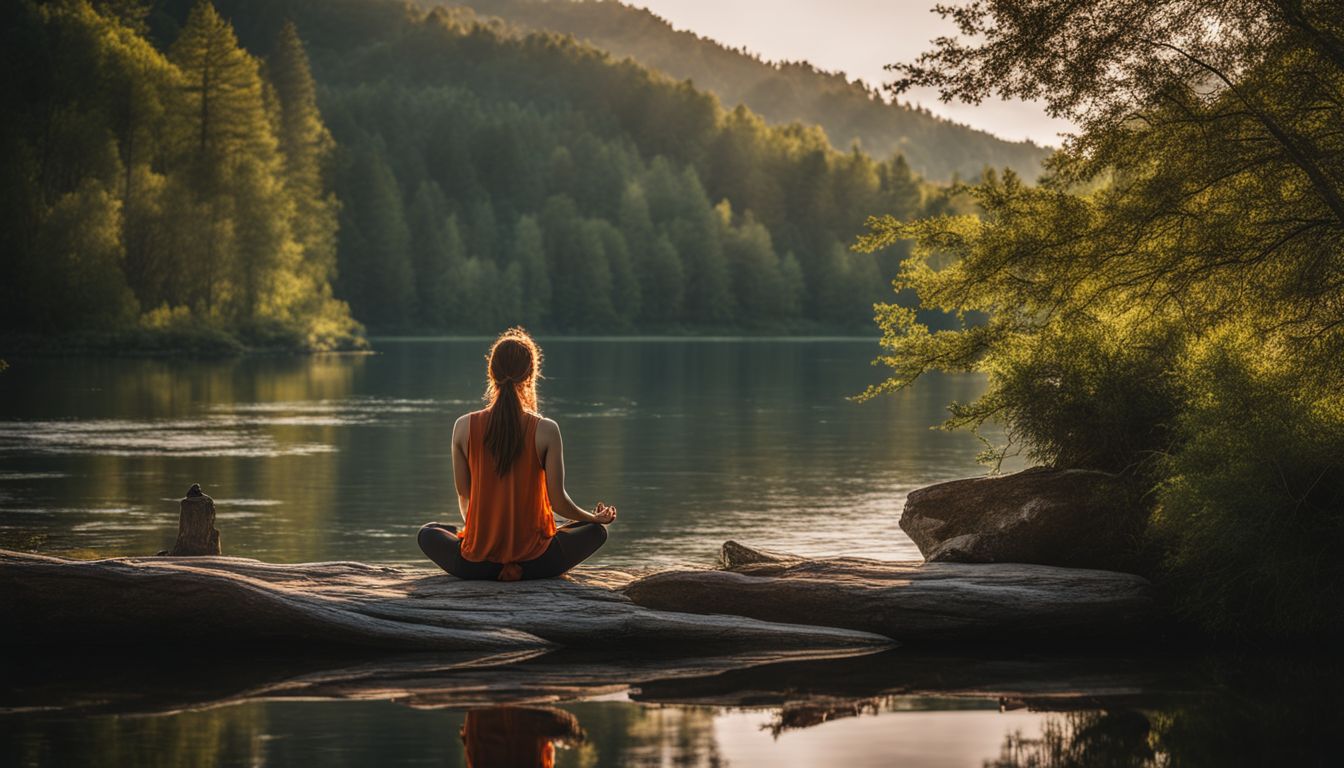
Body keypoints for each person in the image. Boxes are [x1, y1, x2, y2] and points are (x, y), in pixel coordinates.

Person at [418, 327, 616, 581]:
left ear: (491, 373)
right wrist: (593, 518)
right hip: (537, 562)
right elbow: (559, 502)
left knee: (428, 533)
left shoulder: (463, 426)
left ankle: (489, 558)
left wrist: (485, 536)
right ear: (531, 375)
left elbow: (464, 496)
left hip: (476, 565)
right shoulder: (546, 429)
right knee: (595, 531)